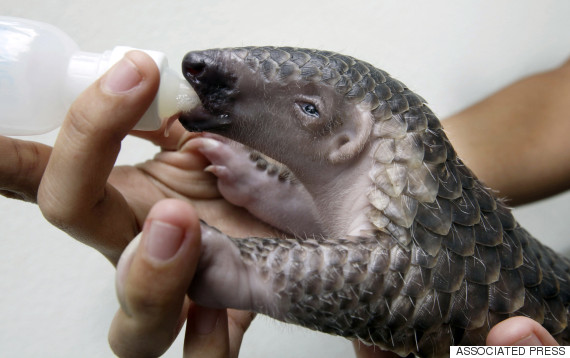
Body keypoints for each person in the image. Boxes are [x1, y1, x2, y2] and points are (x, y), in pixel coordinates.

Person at [0, 51, 567, 357]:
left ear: (349, 141)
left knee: (502, 353)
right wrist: (270, 184)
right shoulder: (390, 177)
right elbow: (394, 209)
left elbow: (393, 275)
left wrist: (232, 264)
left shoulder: (401, 258)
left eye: (311, 113)